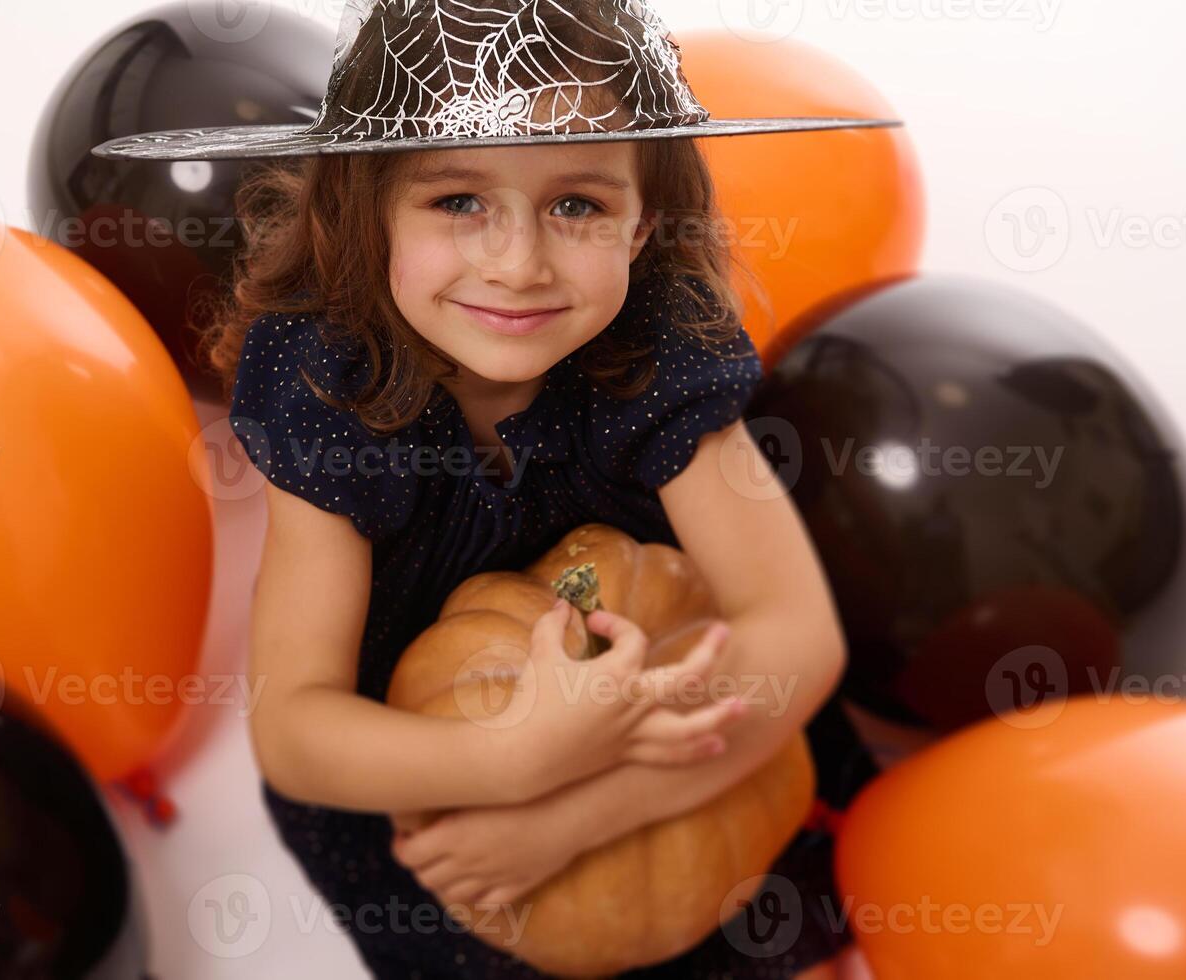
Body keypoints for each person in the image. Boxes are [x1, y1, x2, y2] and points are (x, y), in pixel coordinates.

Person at [93, 2, 899, 977]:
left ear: (642, 222)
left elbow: (796, 636)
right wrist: (514, 758)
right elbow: (299, 726)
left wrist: (578, 808)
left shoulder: (658, 348)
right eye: (459, 201)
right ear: (369, 203)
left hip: (664, 699)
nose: (517, 265)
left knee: (765, 891)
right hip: (428, 755)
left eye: (577, 204)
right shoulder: (325, 378)